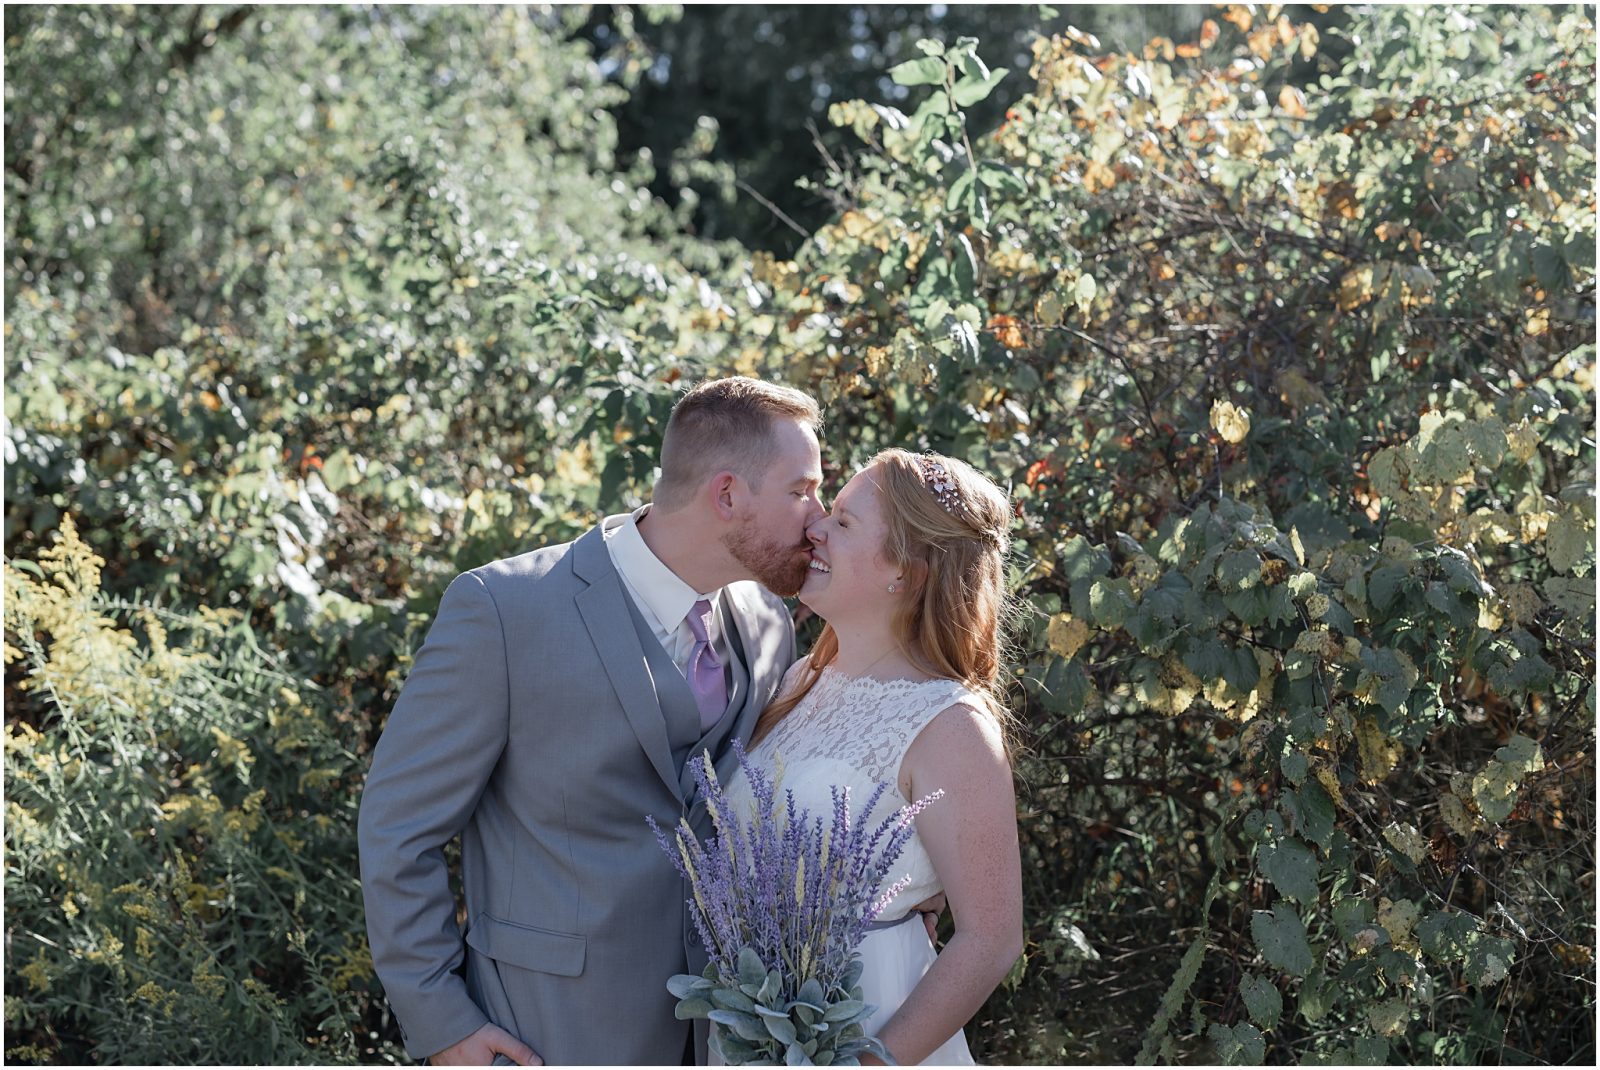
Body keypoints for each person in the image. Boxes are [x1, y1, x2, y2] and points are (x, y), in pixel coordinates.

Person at [357, 376, 827, 1065]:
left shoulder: (765, 624)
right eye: (801, 490)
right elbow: (399, 827)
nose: (817, 517)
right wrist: (442, 1020)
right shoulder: (504, 612)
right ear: (726, 494)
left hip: (722, 1033)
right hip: (544, 1029)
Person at [727, 448, 1025, 1065]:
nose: (815, 529)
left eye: (843, 521)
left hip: (871, 1024)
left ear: (907, 574)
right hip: (751, 1019)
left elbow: (992, 939)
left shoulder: (951, 724)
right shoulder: (798, 680)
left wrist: (867, 1062)